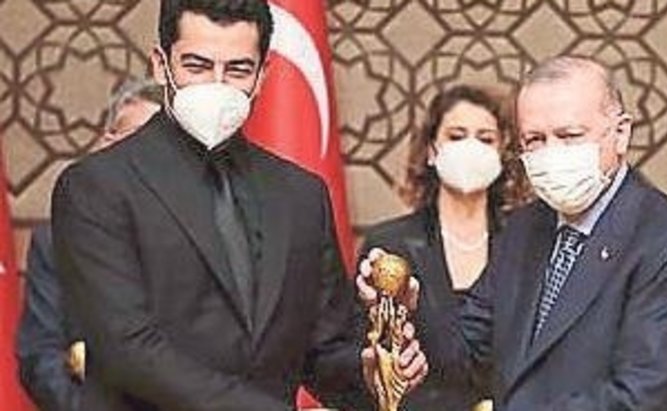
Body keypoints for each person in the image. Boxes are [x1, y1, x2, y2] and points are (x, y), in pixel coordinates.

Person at [50, 1, 425, 410]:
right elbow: (129, 351)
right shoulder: (97, 186)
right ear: (161, 64)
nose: (217, 84)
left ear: (262, 75)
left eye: (237, 70)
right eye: (196, 66)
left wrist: (374, 372)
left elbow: (324, 352)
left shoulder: (301, 195)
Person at [359, 55, 667, 410]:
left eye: (569, 136)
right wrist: (404, 308)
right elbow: (467, 352)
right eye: (534, 140)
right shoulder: (524, 227)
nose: (551, 153)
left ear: (621, 134)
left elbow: (644, 396)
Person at [360, 85, 527, 410]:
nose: (471, 147)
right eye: (456, 136)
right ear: (432, 150)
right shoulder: (389, 245)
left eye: (485, 139)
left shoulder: (526, 242)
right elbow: (368, 357)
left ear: (502, 151)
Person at [16, 77, 161, 411]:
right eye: (138, 139)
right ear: (106, 145)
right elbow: (41, 358)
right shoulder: (56, 240)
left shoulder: (209, 239)